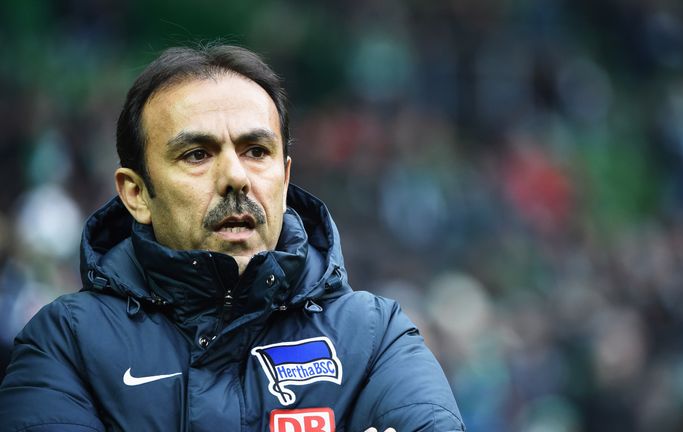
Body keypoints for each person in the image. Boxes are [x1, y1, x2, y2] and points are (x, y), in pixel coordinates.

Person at [0, 44, 465, 432]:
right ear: (136, 193)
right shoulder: (64, 344)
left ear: (285, 179)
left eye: (256, 151)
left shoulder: (376, 337)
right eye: (197, 154)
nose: (236, 177)